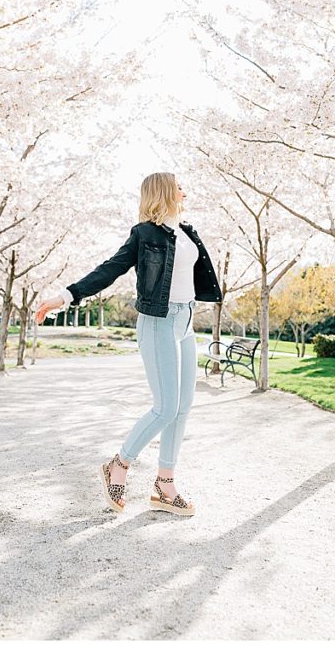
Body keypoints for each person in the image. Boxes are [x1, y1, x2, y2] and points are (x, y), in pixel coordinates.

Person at [35, 172, 222, 516]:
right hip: (158, 321)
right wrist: (64, 297)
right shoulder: (144, 234)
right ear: (165, 191)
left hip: (186, 321)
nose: (185, 189)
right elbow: (110, 269)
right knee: (165, 407)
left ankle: (165, 485)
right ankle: (118, 465)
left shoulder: (186, 232)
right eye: (178, 185)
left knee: (182, 407)